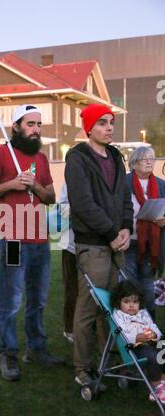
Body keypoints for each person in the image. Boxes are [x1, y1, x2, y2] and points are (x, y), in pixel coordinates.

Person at [0, 104, 65, 381]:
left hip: (40, 239)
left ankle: (36, 349)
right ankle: (9, 353)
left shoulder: (40, 159)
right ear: (15, 126)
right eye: (30, 124)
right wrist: (12, 184)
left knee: (38, 299)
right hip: (14, 239)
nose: (36, 130)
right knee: (11, 299)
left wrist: (35, 187)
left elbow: (51, 196)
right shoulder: (0, 153)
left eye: (39, 125)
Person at [65, 103, 133, 387]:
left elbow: (125, 197)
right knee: (90, 306)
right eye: (103, 123)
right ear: (89, 128)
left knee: (114, 307)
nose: (109, 128)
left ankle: (108, 362)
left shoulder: (116, 156)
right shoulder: (77, 158)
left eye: (111, 123)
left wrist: (127, 228)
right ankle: (83, 367)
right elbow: (83, 205)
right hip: (93, 245)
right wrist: (110, 233)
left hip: (117, 242)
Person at [125, 146, 165, 318]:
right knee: (130, 287)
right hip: (128, 243)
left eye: (152, 158)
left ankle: (151, 332)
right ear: (134, 164)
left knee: (148, 289)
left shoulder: (161, 185)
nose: (149, 161)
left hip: (152, 245)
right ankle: (132, 329)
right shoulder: (123, 183)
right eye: (144, 158)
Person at [111, 280, 165, 403]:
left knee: (164, 345)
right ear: (118, 302)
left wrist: (154, 334)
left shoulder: (143, 313)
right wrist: (136, 337)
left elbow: (154, 327)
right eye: (126, 301)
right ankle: (156, 387)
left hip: (150, 343)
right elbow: (122, 334)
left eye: (135, 302)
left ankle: (162, 377)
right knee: (153, 356)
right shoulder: (119, 315)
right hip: (134, 348)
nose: (131, 305)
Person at [59, 182, 77, 344]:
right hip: (72, 245)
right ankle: (69, 328)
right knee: (72, 288)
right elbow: (62, 209)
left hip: (98, 244)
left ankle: (90, 327)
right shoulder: (70, 181)